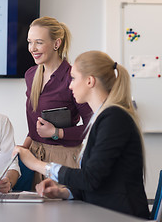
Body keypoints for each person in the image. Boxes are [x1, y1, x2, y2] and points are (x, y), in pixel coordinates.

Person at [14, 51, 150, 219]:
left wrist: (37, 164)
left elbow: (90, 178)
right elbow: (98, 179)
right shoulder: (102, 117)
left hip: (120, 215)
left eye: (73, 78)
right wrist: (63, 192)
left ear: (89, 81)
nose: (70, 85)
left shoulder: (114, 118)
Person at [22, 16, 92, 188]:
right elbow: (34, 124)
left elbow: (92, 126)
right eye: (30, 42)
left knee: (60, 213)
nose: (32, 48)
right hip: (34, 156)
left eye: (39, 42)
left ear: (56, 43)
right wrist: (22, 150)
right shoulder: (31, 75)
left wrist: (57, 132)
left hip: (63, 158)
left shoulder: (72, 78)